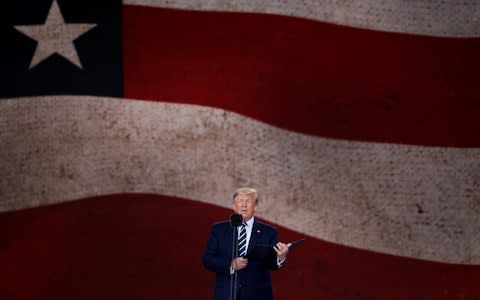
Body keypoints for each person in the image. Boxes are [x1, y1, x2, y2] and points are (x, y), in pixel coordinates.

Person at [202, 187, 290, 300]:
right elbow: (208, 259)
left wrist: (280, 257)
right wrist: (231, 265)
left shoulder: (269, 232)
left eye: (248, 201)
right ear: (234, 206)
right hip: (226, 294)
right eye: (240, 201)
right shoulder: (219, 230)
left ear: (255, 207)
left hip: (258, 294)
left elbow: (272, 264)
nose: (244, 205)